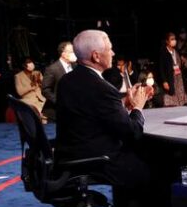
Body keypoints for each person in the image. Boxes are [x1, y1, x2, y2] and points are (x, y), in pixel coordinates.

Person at [54, 29, 151, 191]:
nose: (113, 53)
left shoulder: (67, 80)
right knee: (152, 167)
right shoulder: (102, 88)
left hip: (69, 156)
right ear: (96, 56)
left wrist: (123, 102)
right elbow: (132, 132)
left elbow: (91, 111)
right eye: (109, 49)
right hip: (96, 160)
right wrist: (138, 107)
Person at [42, 41, 76, 122]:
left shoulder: (75, 66)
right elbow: (45, 90)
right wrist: (60, 102)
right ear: (63, 54)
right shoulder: (52, 69)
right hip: (56, 111)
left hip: (73, 110)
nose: (74, 54)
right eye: (71, 52)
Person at [158, 32, 187, 107]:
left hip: (179, 76)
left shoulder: (177, 50)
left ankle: (181, 106)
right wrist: (164, 81)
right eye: (172, 39)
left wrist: (182, 61)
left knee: (181, 94)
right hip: (170, 77)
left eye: (175, 39)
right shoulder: (163, 52)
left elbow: (179, 63)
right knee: (171, 95)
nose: (174, 41)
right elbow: (161, 68)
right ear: (167, 41)